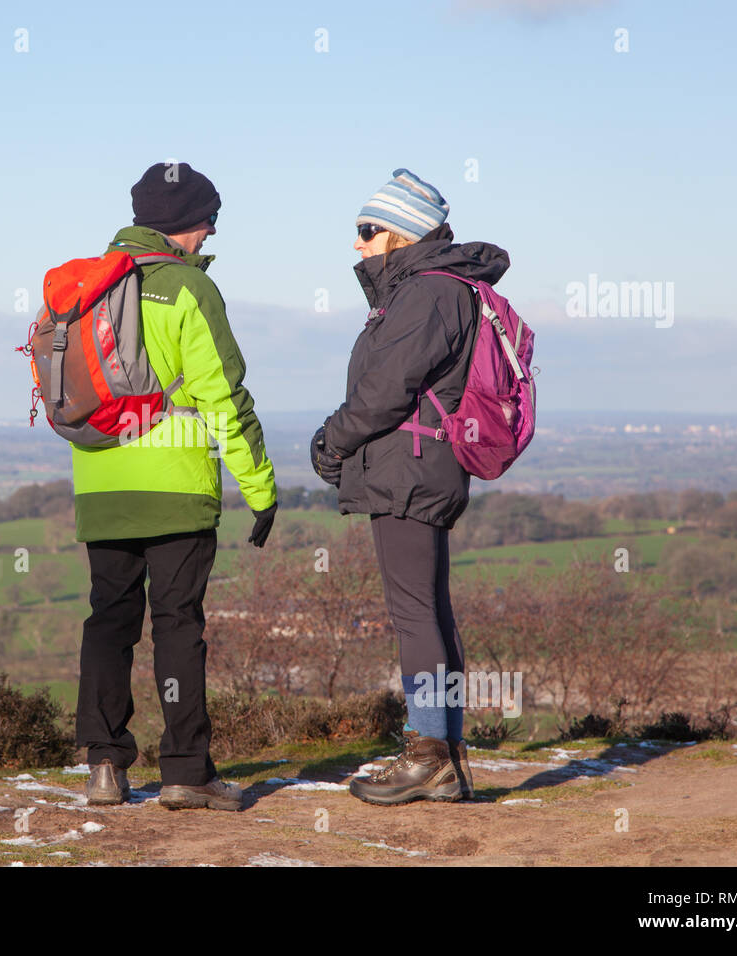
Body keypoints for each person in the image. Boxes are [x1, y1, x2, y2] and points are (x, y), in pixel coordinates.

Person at [75, 161, 278, 811]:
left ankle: (105, 766)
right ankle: (187, 772)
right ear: (186, 225)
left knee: (109, 620)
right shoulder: (189, 289)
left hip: (101, 482)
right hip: (176, 483)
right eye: (208, 222)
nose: (210, 236)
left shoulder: (88, 286)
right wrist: (260, 489)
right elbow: (225, 395)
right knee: (177, 625)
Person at [311, 168, 509, 805]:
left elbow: (385, 390)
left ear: (401, 235)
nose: (358, 243)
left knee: (415, 615)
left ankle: (429, 756)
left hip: (409, 466)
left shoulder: (426, 293)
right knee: (432, 613)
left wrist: (331, 441)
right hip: (424, 463)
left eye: (368, 230)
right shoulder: (439, 289)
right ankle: (445, 755)